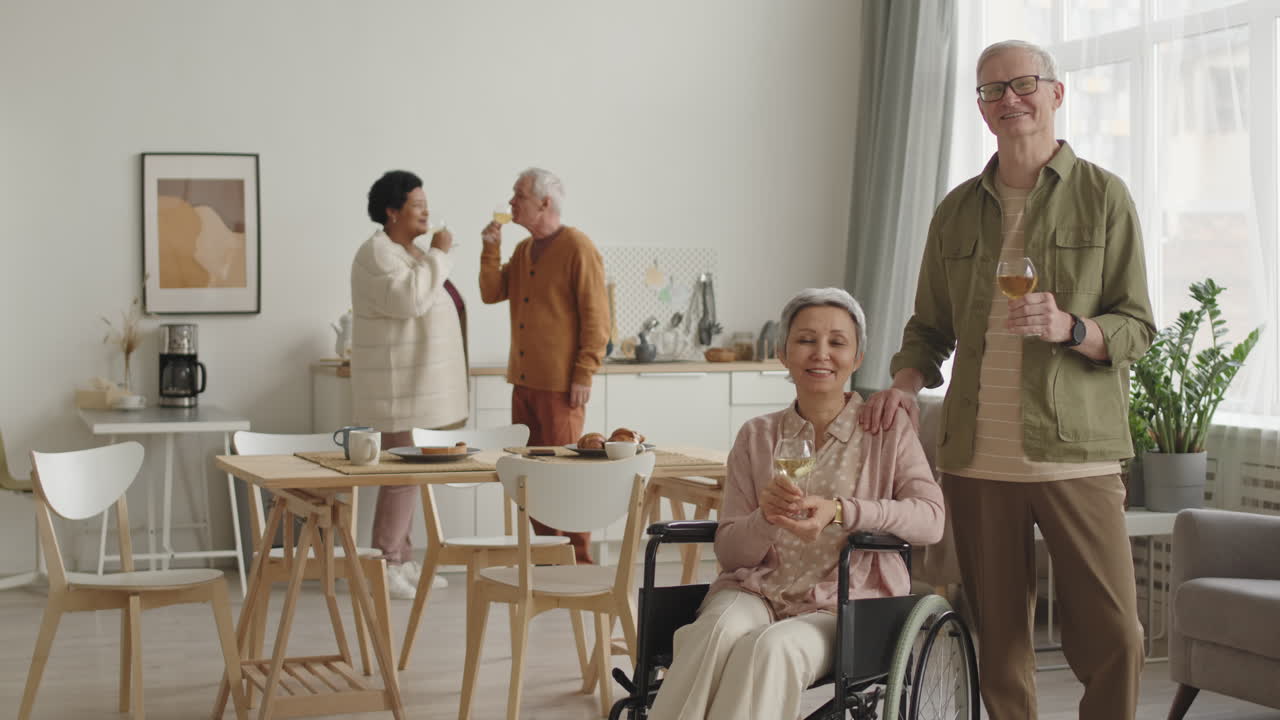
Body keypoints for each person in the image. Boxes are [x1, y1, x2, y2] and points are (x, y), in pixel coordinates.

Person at [858, 40, 1157, 720]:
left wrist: (1070, 329)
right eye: (992, 91)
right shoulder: (956, 210)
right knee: (999, 641)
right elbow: (929, 327)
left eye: (1023, 84)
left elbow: (1136, 325)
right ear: (981, 109)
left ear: (1056, 94)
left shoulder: (1105, 196)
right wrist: (904, 384)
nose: (1009, 99)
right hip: (976, 459)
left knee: (1115, 637)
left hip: (1076, 456)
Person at [648, 288, 944, 720]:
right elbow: (730, 552)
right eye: (806, 340)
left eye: (837, 342)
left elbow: (932, 520)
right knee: (712, 633)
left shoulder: (887, 430)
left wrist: (845, 510)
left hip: (844, 605)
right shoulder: (757, 436)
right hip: (758, 591)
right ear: (783, 354)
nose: (820, 354)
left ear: (858, 357)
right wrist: (764, 520)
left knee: (770, 649)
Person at [479, 167, 608, 564]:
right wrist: (490, 248)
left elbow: (597, 318)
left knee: (567, 476)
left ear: (545, 203)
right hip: (525, 383)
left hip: (561, 386)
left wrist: (584, 371)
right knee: (532, 478)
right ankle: (548, 557)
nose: (512, 201)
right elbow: (490, 292)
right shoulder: (522, 252)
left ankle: (580, 562)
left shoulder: (577, 247)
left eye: (519, 195)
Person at [351, 170, 469, 600]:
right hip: (398, 386)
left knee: (412, 475)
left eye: (426, 204)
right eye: (417, 205)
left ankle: (403, 558)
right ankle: (385, 563)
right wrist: (439, 255)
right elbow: (409, 301)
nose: (426, 212)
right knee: (402, 476)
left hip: (417, 386)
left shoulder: (409, 252)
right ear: (392, 210)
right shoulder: (376, 253)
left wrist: (430, 256)